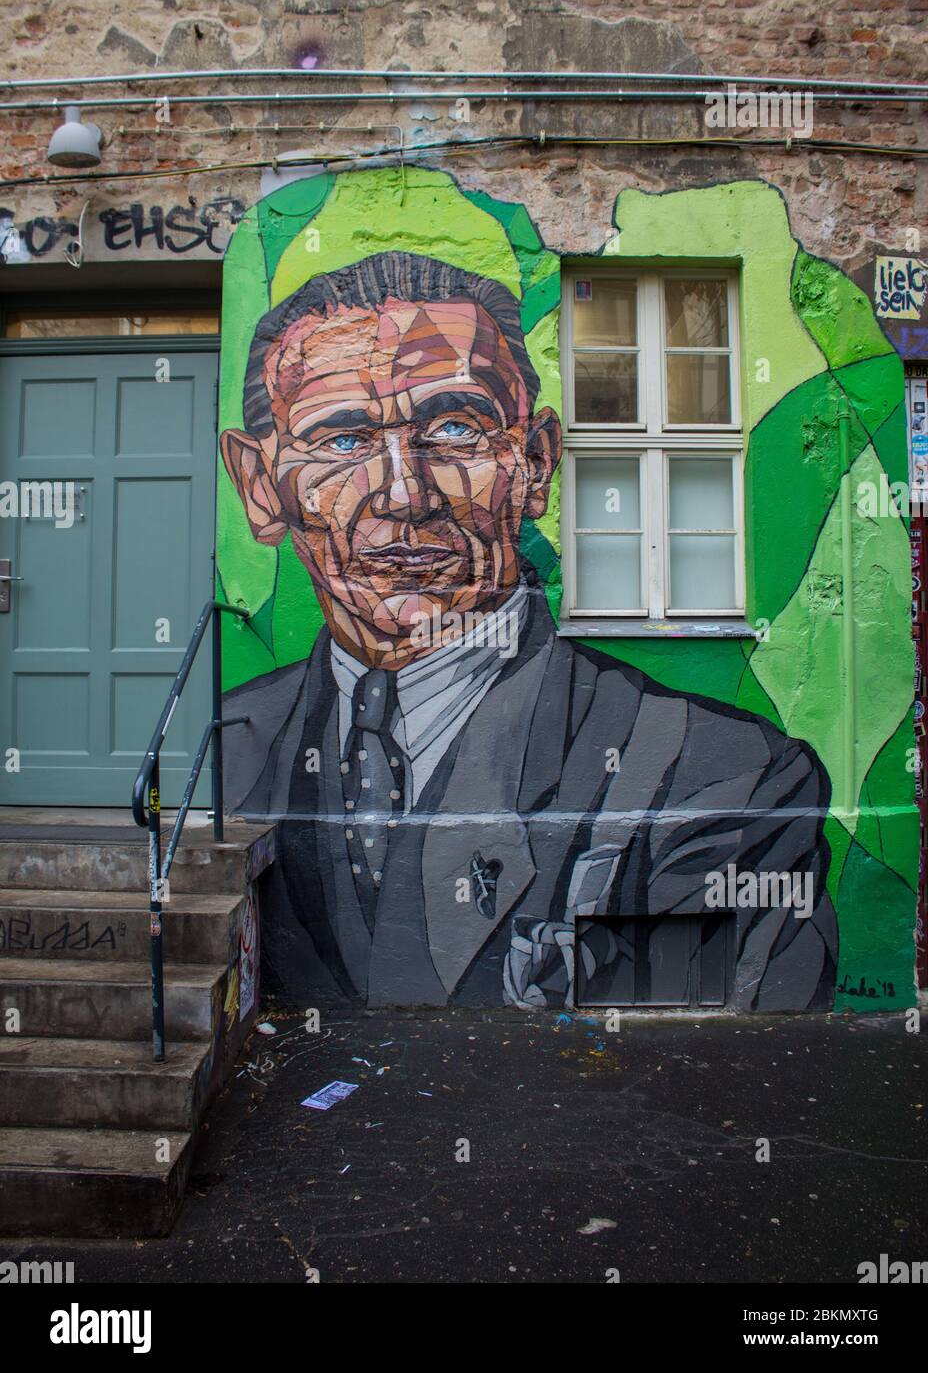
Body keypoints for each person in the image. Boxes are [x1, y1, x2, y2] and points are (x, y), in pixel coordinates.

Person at [221, 251, 837, 1010]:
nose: (405, 495)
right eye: (341, 441)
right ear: (260, 487)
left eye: (455, 428)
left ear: (536, 463)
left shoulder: (724, 778)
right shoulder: (230, 746)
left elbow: (719, 1082)